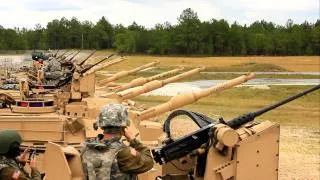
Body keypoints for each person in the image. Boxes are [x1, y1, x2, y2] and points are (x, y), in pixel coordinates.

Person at [81, 104, 154, 180]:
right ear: (123, 128)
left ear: (102, 126)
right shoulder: (123, 154)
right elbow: (148, 161)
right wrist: (133, 140)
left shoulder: (87, 148)